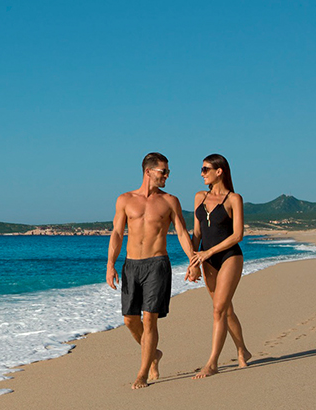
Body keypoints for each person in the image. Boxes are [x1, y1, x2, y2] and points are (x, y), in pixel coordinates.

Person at [106, 152, 197, 389]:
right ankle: (153, 354)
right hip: (131, 265)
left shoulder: (170, 201)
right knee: (129, 320)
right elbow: (116, 233)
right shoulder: (125, 200)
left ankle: (143, 372)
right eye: (163, 171)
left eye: (167, 171)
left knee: (150, 319)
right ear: (148, 172)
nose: (167, 175)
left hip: (157, 265)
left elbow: (181, 232)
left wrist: (193, 261)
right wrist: (110, 265)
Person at [189, 153, 253, 379]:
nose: (202, 173)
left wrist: (209, 252)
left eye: (205, 169)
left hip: (229, 257)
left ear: (219, 171)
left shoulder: (234, 199)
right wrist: (193, 261)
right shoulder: (199, 197)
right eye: (202, 169)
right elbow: (196, 234)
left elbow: (237, 235)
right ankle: (242, 350)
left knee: (218, 309)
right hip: (207, 261)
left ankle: (213, 362)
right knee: (225, 309)